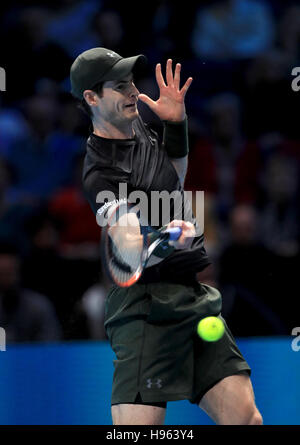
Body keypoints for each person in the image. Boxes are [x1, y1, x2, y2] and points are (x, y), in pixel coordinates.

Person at [70, 47, 262, 425]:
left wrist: (177, 124)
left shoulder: (142, 127)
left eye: (131, 83)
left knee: (246, 420)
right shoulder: (100, 172)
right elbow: (126, 245)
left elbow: (172, 180)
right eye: (118, 86)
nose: (131, 92)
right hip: (145, 311)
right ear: (91, 98)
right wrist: (166, 238)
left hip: (193, 298)